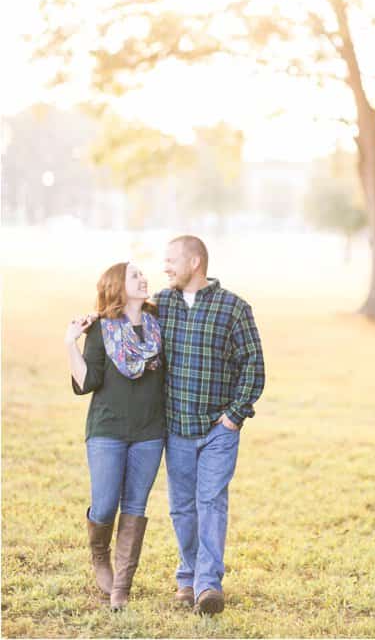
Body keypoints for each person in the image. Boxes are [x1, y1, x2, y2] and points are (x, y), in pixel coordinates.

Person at [156, 235, 265, 615]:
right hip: (176, 426)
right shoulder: (162, 304)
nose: (165, 266)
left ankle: (207, 585)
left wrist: (234, 416)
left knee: (211, 503)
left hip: (218, 429)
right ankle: (187, 576)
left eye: (171, 260)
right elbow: (128, 324)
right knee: (182, 508)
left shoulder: (234, 308)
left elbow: (253, 364)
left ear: (195, 261)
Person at [65, 262, 165, 610]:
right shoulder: (102, 329)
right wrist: (70, 344)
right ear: (117, 286)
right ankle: (99, 556)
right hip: (107, 430)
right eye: (134, 275)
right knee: (106, 503)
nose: (143, 278)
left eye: (143, 274)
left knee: (135, 506)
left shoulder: (158, 323)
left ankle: (122, 585)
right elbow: (87, 382)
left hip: (150, 431)